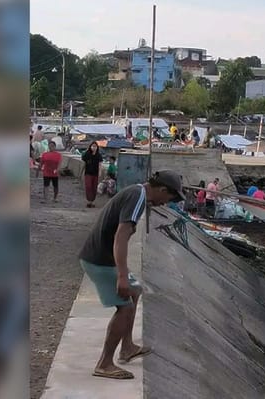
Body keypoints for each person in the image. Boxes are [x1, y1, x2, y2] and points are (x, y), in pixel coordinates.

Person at [79, 170, 185, 380]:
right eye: (169, 198)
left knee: (135, 290)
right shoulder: (138, 197)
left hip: (101, 256)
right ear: (162, 190)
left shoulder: (136, 192)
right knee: (125, 308)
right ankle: (104, 364)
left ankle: (127, 347)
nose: (165, 203)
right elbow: (121, 236)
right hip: (99, 260)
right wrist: (121, 275)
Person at [82, 141, 103, 208]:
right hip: (88, 173)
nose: (94, 148)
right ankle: (89, 201)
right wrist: (82, 172)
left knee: (94, 187)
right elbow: (83, 162)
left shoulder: (98, 155)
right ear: (90, 147)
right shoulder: (87, 154)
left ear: (97, 147)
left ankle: (92, 201)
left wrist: (100, 172)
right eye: (93, 146)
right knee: (88, 187)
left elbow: (100, 165)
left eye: (95, 146)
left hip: (95, 174)